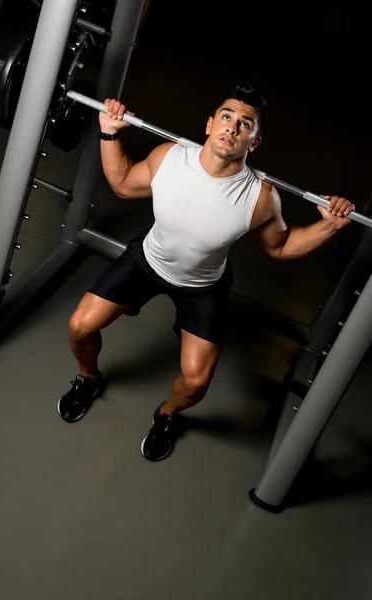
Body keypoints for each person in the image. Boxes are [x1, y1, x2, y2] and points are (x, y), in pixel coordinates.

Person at [57, 83, 355, 462]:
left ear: (254, 142)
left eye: (245, 124)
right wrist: (108, 132)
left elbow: (280, 247)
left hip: (202, 287)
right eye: (227, 117)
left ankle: (167, 415)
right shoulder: (169, 156)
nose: (232, 127)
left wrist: (329, 225)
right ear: (210, 124)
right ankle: (88, 377)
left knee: (197, 381)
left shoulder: (261, 196)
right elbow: (121, 184)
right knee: (80, 326)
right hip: (145, 263)